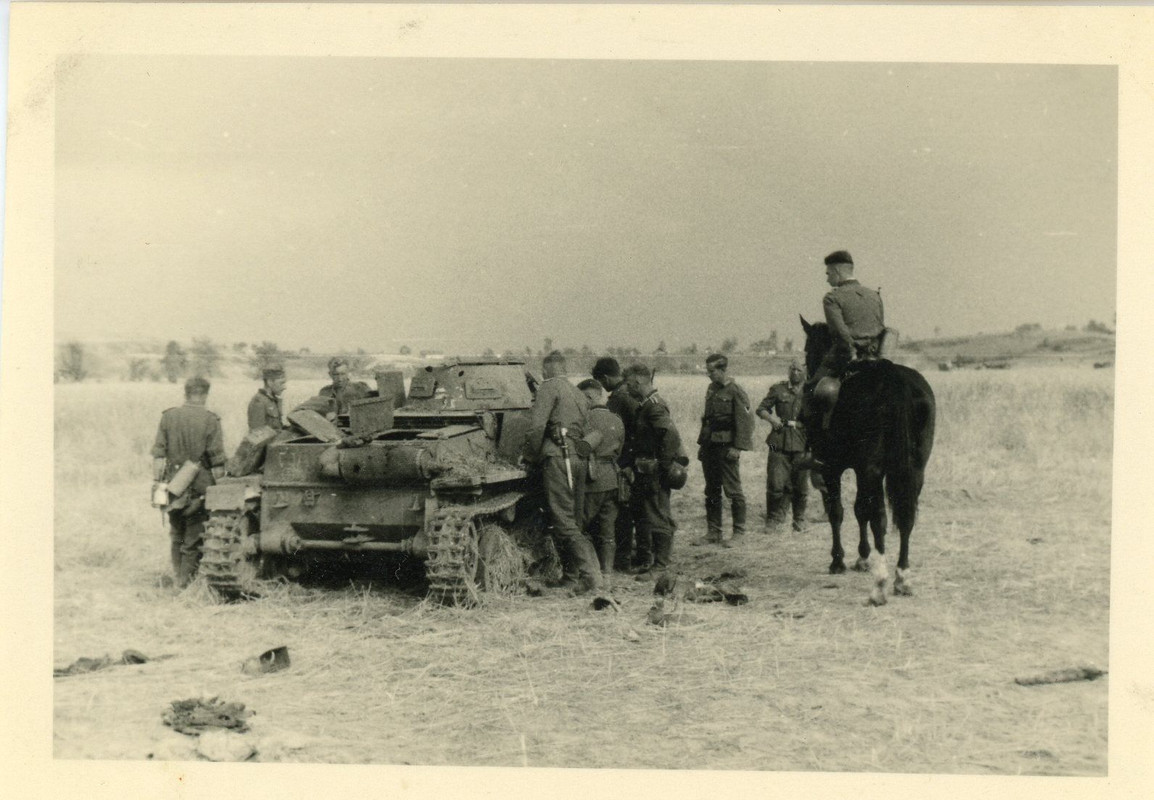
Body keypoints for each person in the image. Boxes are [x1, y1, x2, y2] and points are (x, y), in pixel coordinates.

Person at [523, 351, 604, 594]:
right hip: (577, 457)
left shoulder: (548, 388)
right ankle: (571, 576)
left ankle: (591, 577)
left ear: (546, 370)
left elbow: (536, 427)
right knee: (573, 520)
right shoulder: (577, 392)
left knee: (563, 520)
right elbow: (591, 430)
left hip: (558, 458)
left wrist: (529, 456)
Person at [150, 376, 227, 588]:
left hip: (173, 486)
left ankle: (178, 577)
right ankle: (185, 584)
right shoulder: (211, 420)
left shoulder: (168, 417)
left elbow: (158, 456)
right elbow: (217, 461)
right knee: (193, 539)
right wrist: (222, 489)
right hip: (199, 487)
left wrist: (158, 485)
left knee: (176, 535)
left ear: (185, 393)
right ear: (205, 395)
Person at [623, 363, 688, 575]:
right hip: (647, 469)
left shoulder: (654, 406)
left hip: (654, 472)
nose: (627, 388)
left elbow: (670, 435)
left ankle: (661, 565)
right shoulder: (646, 405)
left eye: (629, 384)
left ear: (638, 382)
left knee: (658, 515)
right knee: (652, 513)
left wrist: (664, 466)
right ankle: (656, 563)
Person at [696, 353, 753, 546]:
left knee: (733, 490)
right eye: (707, 371)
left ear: (723, 369)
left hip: (727, 446)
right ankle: (714, 531)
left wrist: (738, 447)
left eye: (711, 371)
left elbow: (745, 422)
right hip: (710, 446)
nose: (709, 374)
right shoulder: (711, 389)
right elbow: (707, 420)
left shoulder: (735, 391)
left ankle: (739, 533)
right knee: (711, 490)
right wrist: (702, 444)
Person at [592, 356, 642, 572]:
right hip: (630, 460)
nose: (602, 388)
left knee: (622, 514)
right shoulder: (628, 394)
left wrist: (625, 463)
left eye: (601, 382)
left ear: (605, 378)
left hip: (623, 462)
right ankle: (627, 556)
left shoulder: (620, 399)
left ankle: (622, 559)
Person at [577, 378, 625, 584]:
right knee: (608, 530)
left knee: (578, 527)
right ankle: (607, 574)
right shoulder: (617, 420)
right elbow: (620, 450)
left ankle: (587, 573)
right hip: (612, 479)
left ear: (589, 397)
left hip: (592, 480)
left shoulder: (584, 419)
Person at [756, 359, 810, 532]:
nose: (795, 373)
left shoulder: (811, 391)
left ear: (805, 372)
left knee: (801, 485)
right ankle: (772, 519)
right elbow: (761, 409)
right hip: (776, 442)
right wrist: (772, 420)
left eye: (799, 370)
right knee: (775, 483)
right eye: (792, 369)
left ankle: (799, 519)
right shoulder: (778, 389)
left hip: (802, 443)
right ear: (788, 371)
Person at [816, 249, 885, 382]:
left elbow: (839, 333)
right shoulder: (874, 295)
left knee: (812, 386)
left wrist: (852, 353)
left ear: (837, 271)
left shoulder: (832, 298)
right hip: (876, 355)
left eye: (828, 274)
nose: (827, 279)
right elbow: (881, 326)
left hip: (848, 357)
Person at [247, 366, 287, 433]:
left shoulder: (272, 400)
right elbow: (257, 434)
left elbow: (277, 427)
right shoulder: (258, 402)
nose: (284, 387)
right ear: (270, 382)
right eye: (281, 383)